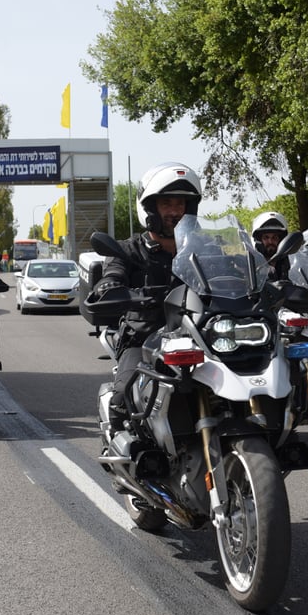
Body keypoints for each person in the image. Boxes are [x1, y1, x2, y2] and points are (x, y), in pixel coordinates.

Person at [91, 162, 202, 434]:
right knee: (123, 398)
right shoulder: (128, 250)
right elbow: (112, 275)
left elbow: (233, 272)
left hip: (201, 336)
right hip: (143, 338)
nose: (176, 212)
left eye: (181, 204)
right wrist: (111, 288)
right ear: (150, 209)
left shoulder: (205, 248)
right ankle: (121, 447)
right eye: (167, 204)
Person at [251, 210, 290, 280]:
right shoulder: (252, 264)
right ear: (259, 240)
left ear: (280, 240)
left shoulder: (288, 262)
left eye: (274, 237)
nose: (270, 241)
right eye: (266, 237)